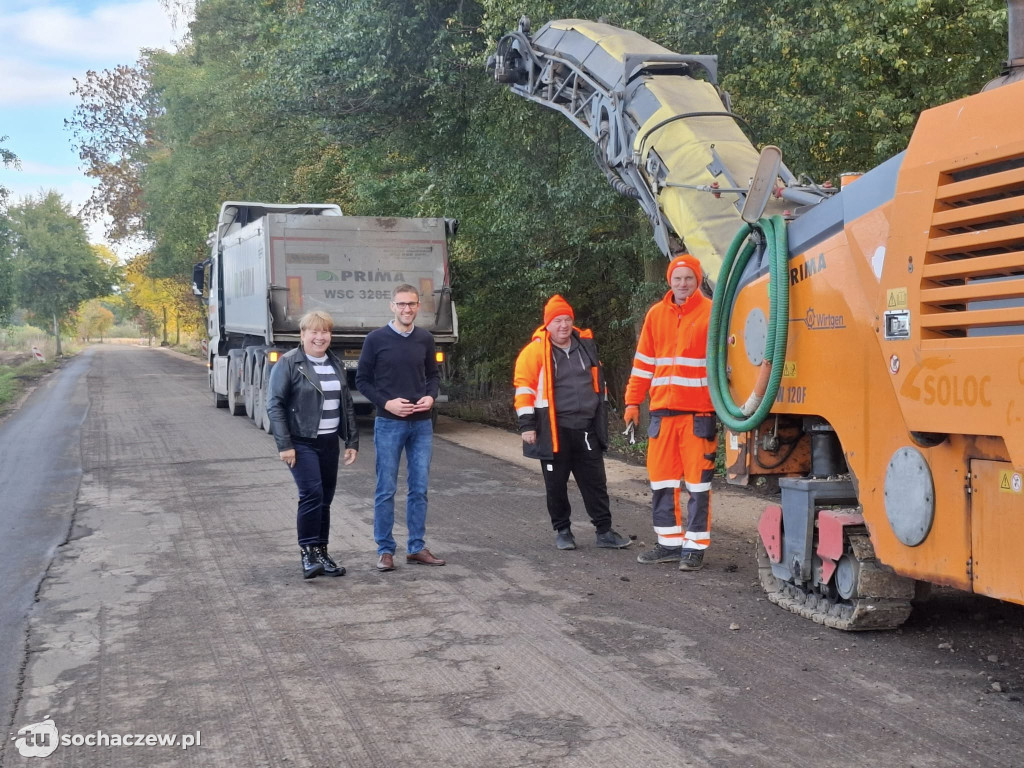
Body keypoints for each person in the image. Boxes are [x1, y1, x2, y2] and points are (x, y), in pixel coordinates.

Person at [513, 295, 631, 551]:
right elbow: (524, 389)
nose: (563, 325)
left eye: (567, 319)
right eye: (558, 320)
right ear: (548, 324)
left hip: (586, 428)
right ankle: (563, 531)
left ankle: (604, 531)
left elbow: (598, 383)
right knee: (555, 485)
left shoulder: (586, 347)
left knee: (595, 482)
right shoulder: (534, 352)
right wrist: (527, 426)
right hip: (553, 430)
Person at [624, 253, 717, 572]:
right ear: (670, 281)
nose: (683, 284)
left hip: (698, 415)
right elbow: (643, 364)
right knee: (662, 481)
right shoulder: (656, 314)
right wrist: (632, 402)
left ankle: (694, 548)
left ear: (698, 280)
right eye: (677, 278)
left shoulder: (711, 313)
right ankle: (668, 544)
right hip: (662, 415)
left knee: (698, 485)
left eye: (688, 278)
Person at [356, 284, 446, 572]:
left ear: (418, 306)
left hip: (421, 425)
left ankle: (416, 547)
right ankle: (385, 550)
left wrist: (431, 396)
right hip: (389, 422)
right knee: (386, 488)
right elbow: (362, 381)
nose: (407, 309)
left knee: (419, 489)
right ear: (392, 306)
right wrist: (387, 403)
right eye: (402, 304)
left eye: (412, 304)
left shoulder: (425, 339)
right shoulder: (375, 339)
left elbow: (433, 375)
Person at [267, 310, 359, 580]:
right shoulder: (288, 363)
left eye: (325, 332)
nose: (320, 337)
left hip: (329, 442)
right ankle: (308, 553)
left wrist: (351, 440)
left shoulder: (335, 363)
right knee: (312, 494)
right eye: (314, 332)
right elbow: (275, 405)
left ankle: (322, 553)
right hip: (301, 442)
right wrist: (284, 445)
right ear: (303, 335)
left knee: (325, 498)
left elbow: (347, 404)